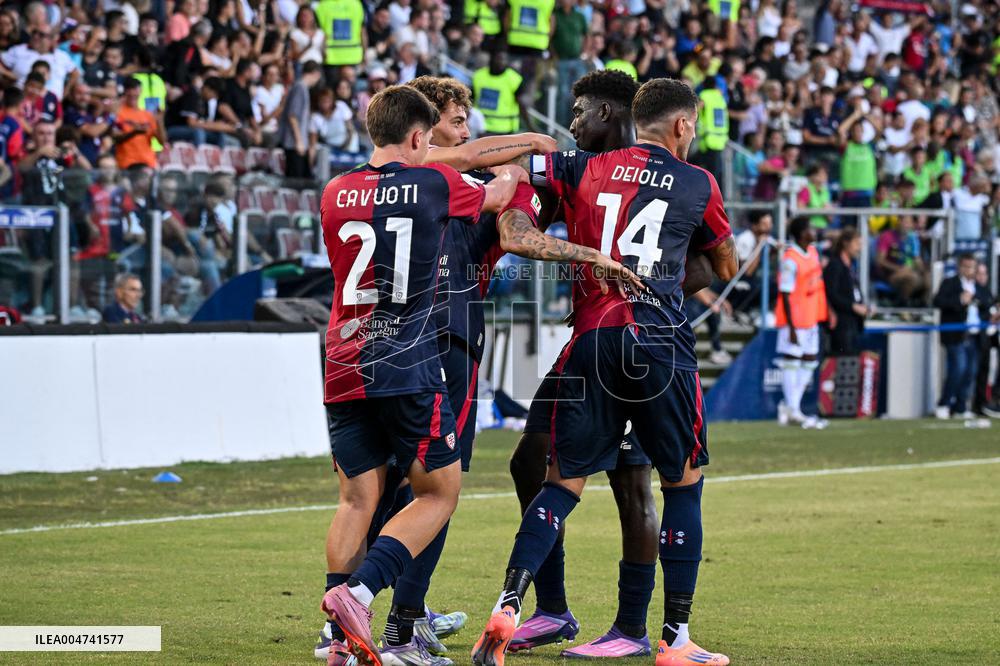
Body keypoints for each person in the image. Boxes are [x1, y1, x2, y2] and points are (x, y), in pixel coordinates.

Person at [473, 77, 737, 666]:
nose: (573, 121)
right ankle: (675, 638)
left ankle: (511, 603)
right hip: (660, 342)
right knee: (682, 482)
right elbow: (725, 261)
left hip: (592, 338)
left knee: (561, 482)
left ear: (621, 114)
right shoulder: (698, 182)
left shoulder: (580, 169)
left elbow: (515, 177)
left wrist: (521, 167)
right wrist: (663, 275)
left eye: (579, 111)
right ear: (684, 125)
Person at [317, 85, 525, 666]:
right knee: (440, 491)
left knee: (357, 500)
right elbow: (499, 193)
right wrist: (510, 167)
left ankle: (336, 643)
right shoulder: (433, 184)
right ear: (418, 137)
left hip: (342, 360)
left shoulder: (334, 191)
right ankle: (360, 597)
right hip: (408, 360)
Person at [774, 216, 829, 429]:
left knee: (809, 361)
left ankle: (790, 406)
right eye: (809, 228)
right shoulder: (790, 259)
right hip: (794, 321)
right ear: (800, 233)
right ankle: (793, 409)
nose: (813, 230)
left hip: (812, 317)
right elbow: (785, 293)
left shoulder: (812, 252)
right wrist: (791, 327)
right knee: (792, 362)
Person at [933, 254, 992, 419]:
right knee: (958, 369)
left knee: (971, 372)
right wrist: (959, 300)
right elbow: (937, 301)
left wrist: (983, 307)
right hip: (956, 335)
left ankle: (960, 406)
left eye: (971, 267)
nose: (968, 270)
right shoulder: (950, 283)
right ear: (960, 267)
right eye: (965, 266)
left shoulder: (979, 287)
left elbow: (988, 303)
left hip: (975, 336)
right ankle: (944, 403)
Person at [823, 228, 869, 356]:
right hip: (840, 324)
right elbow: (831, 294)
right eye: (856, 244)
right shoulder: (835, 265)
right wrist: (853, 306)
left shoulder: (850, 266)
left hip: (853, 323)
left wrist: (862, 307)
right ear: (845, 243)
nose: (859, 248)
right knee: (842, 363)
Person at [278, 61, 323, 179]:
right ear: (315, 73)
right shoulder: (300, 88)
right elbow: (292, 116)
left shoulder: (301, 88)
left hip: (298, 142)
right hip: (294, 143)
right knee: (296, 180)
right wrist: (299, 141)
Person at [113, 77, 165, 170]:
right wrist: (134, 132)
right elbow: (116, 138)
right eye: (130, 90)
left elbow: (162, 142)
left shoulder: (148, 115)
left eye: (135, 90)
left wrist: (159, 121)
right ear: (125, 92)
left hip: (148, 163)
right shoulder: (118, 113)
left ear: (140, 91)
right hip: (127, 164)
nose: (133, 94)